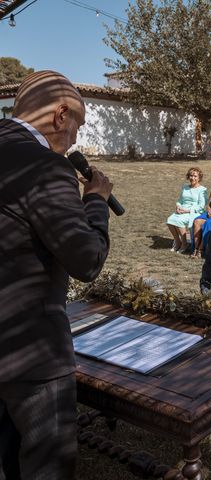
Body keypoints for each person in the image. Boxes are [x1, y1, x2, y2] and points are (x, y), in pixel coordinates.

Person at [0, 70, 112, 479]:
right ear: (60, 115)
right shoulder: (44, 166)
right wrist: (96, 203)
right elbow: (86, 260)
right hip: (30, 353)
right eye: (78, 125)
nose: (77, 139)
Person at [166, 167, 208, 253]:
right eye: (191, 176)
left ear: (199, 177)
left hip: (194, 211)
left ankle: (184, 244)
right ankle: (178, 241)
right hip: (182, 209)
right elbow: (180, 200)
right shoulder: (185, 187)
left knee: (179, 221)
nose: (193, 178)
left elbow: (201, 206)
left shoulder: (202, 190)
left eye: (195, 176)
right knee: (170, 220)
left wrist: (187, 211)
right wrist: (178, 206)